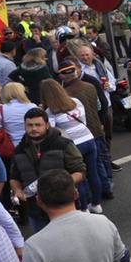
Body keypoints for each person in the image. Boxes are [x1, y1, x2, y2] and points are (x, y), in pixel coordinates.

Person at [9, 109, 85, 232]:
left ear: (47, 125)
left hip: (63, 208)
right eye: (30, 125)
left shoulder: (63, 144)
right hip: (35, 211)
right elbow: (14, 177)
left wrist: (61, 184)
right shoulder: (19, 150)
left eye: (38, 125)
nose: (33, 129)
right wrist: (17, 190)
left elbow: (80, 171)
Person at [39, 81, 105, 210]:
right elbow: (84, 120)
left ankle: (84, 207)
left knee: (78, 177)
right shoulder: (75, 101)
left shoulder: (50, 111)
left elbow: (51, 131)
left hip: (73, 145)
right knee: (93, 173)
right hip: (89, 139)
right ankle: (97, 204)